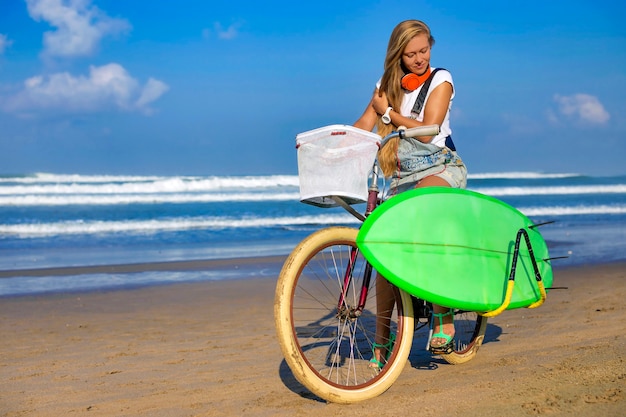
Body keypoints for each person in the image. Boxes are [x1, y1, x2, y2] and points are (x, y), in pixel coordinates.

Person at [353, 19, 467, 367]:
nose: (419, 59)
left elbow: (428, 130)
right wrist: (335, 140)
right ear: (397, 55)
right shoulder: (385, 86)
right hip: (402, 178)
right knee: (383, 251)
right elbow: (363, 127)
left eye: (424, 51)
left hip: (440, 168)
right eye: (411, 54)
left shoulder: (441, 79)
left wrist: (388, 112)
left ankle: (442, 315)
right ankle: (384, 340)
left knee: (420, 213)